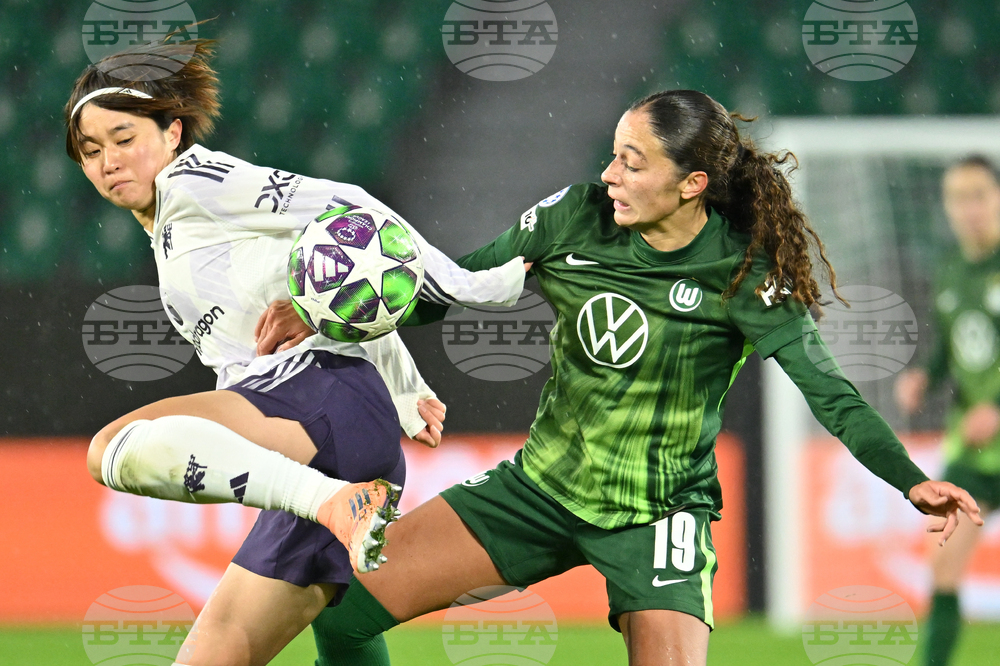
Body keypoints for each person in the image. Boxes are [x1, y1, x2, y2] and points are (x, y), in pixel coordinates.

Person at [256, 89, 986, 666]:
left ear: (692, 183)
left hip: (657, 514)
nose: (610, 174)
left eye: (633, 162)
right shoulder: (574, 218)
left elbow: (831, 393)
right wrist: (330, 315)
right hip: (538, 492)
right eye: (613, 154)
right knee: (344, 610)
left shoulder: (742, 276)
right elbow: (457, 283)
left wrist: (907, 478)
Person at [64, 40, 527, 666]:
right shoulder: (175, 226)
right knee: (237, 651)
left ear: (173, 132)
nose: (108, 162)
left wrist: (469, 286)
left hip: (319, 403)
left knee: (116, 448)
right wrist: (402, 384)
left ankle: (335, 503)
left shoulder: (193, 183)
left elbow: (355, 212)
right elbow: (333, 275)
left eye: (124, 138)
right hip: (336, 428)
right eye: (91, 152)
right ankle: (337, 504)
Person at [895, 155, 1000, 666]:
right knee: (943, 564)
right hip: (976, 448)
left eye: (979, 195)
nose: (969, 208)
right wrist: (925, 375)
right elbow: (954, 346)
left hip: (992, 425)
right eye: (958, 197)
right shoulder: (953, 269)